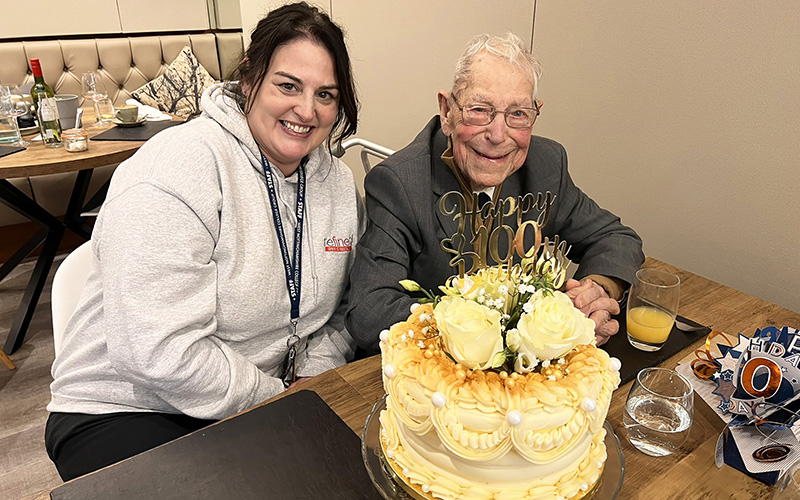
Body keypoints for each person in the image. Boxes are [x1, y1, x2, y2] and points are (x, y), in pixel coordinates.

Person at [45, 2, 364, 481]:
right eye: (288, 86)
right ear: (249, 78)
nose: (306, 110)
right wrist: (274, 399)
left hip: (261, 397)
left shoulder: (337, 184)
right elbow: (157, 350)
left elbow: (342, 306)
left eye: (326, 94)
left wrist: (313, 375)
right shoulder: (178, 167)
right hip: (126, 408)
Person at [345, 33, 644, 353]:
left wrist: (595, 291)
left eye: (518, 114)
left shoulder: (546, 165)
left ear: (535, 114)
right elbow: (369, 312)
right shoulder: (399, 184)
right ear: (446, 111)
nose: (498, 135)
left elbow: (617, 239)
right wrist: (508, 330)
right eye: (479, 109)